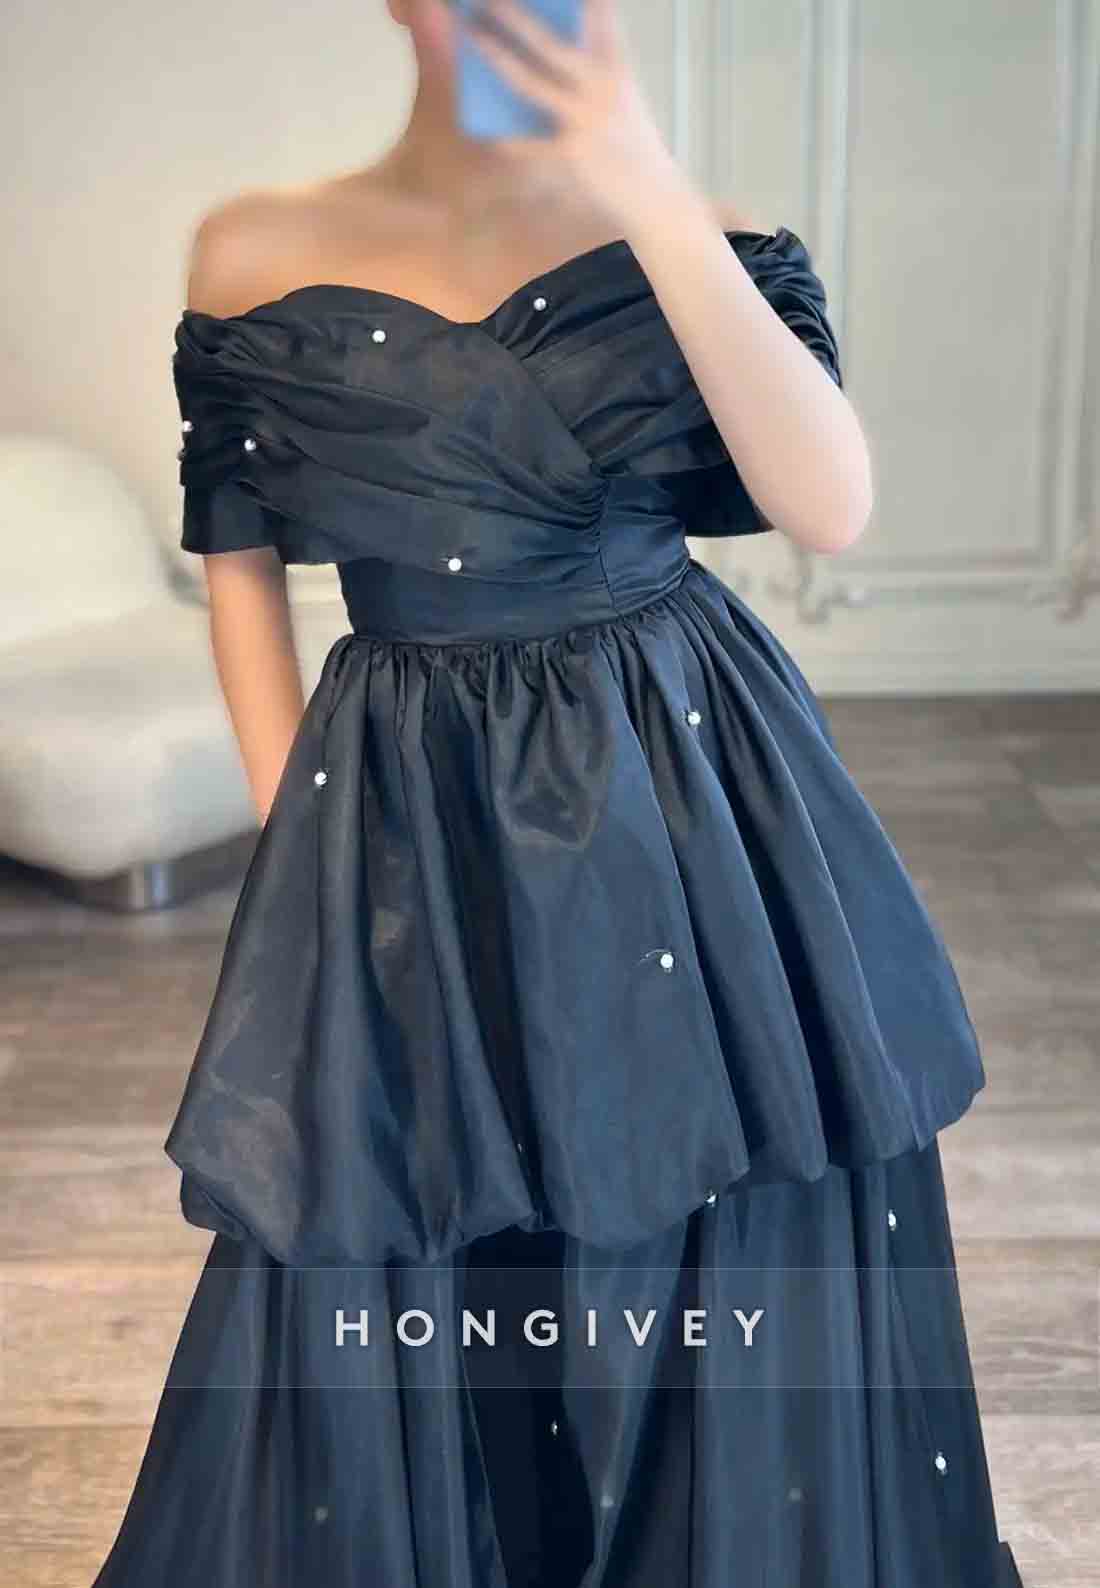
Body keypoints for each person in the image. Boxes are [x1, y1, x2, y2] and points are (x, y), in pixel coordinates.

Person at [90, 2, 1025, 1584]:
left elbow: (831, 507)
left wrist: (644, 182)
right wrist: (304, 860)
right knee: (418, 1191)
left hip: (683, 780)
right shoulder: (253, 247)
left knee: (696, 1190)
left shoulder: (703, 228)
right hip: (411, 795)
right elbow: (237, 567)